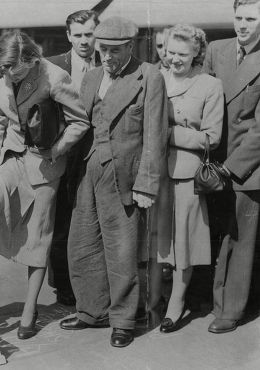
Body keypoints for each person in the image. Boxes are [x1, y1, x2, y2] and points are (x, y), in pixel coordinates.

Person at [0, 30, 90, 340]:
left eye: (13, 70)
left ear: (30, 60)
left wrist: (56, 150)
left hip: (45, 161)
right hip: (12, 154)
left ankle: (30, 309)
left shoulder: (53, 76)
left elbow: (80, 122)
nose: (6, 75)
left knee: (38, 233)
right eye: (2, 69)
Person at [60, 17, 168, 348]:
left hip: (124, 176)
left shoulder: (149, 76)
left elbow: (155, 134)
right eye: (102, 50)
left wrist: (147, 184)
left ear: (130, 47)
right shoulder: (91, 77)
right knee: (82, 245)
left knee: (122, 251)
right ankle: (92, 311)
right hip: (86, 171)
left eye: (114, 51)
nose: (106, 57)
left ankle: (123, 320)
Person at [157, 24, 224, 333]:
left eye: (182, 54)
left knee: (182, 242)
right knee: (156, 239)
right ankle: (153, 298)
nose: (174, 60)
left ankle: (176, 303)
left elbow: (211, 137)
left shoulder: (209, 85)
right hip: (154, 171)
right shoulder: (156, 77)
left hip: (187, 173)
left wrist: (167, 132)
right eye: (170, 52)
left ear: (197, 52)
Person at [202, 0, 260, 334]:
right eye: (238, 17)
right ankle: (215, 300)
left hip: (247, 168)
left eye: (251, 18)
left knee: (241, 240)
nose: (242, 24)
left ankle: (230, 310)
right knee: (216, 234)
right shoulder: (217, 49)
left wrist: (231, 167)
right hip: (213, 161)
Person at [46, 9, 100, 307]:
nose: (83, 41)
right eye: (77, 35)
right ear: (68, 36)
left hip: (96, 153)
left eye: (89, 34)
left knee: (92, 220)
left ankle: (92, 281)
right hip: (63, 154)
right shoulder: (52, 66)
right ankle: (63, 286)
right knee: (61, 222)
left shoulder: (108, 64)